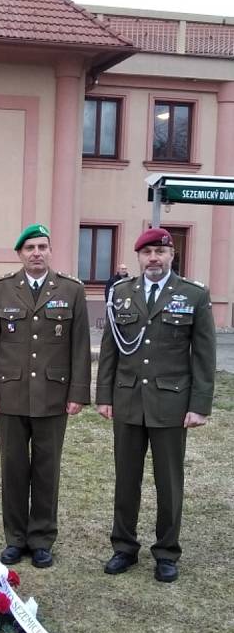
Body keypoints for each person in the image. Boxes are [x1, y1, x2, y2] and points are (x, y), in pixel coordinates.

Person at [96, 228, 216, 583]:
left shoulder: (193, 295)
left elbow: (205, 356)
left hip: (171, 403)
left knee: (169, 481)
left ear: (171, 255)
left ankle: (166, 552)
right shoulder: (121, 293)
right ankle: (124, 548)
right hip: (128, 399)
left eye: (160, 252)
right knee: (126, 479)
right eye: (147, 252)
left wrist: (200, 405)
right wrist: (104, 396)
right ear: (138, 257)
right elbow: (109, 350)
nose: (154, 258)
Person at [0, 224, 91, 567]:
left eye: (43, 246)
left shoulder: (71, 290)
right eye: (30, 248)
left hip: (53, 395)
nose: (37, 253)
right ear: (20, 254)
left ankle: (41, 538)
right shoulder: (1, 290)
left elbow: (80, 346)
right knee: (13, 468)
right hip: (10, 394)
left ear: (50, 251)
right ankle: (15, 538)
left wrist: (77, 393)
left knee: (47, 469)